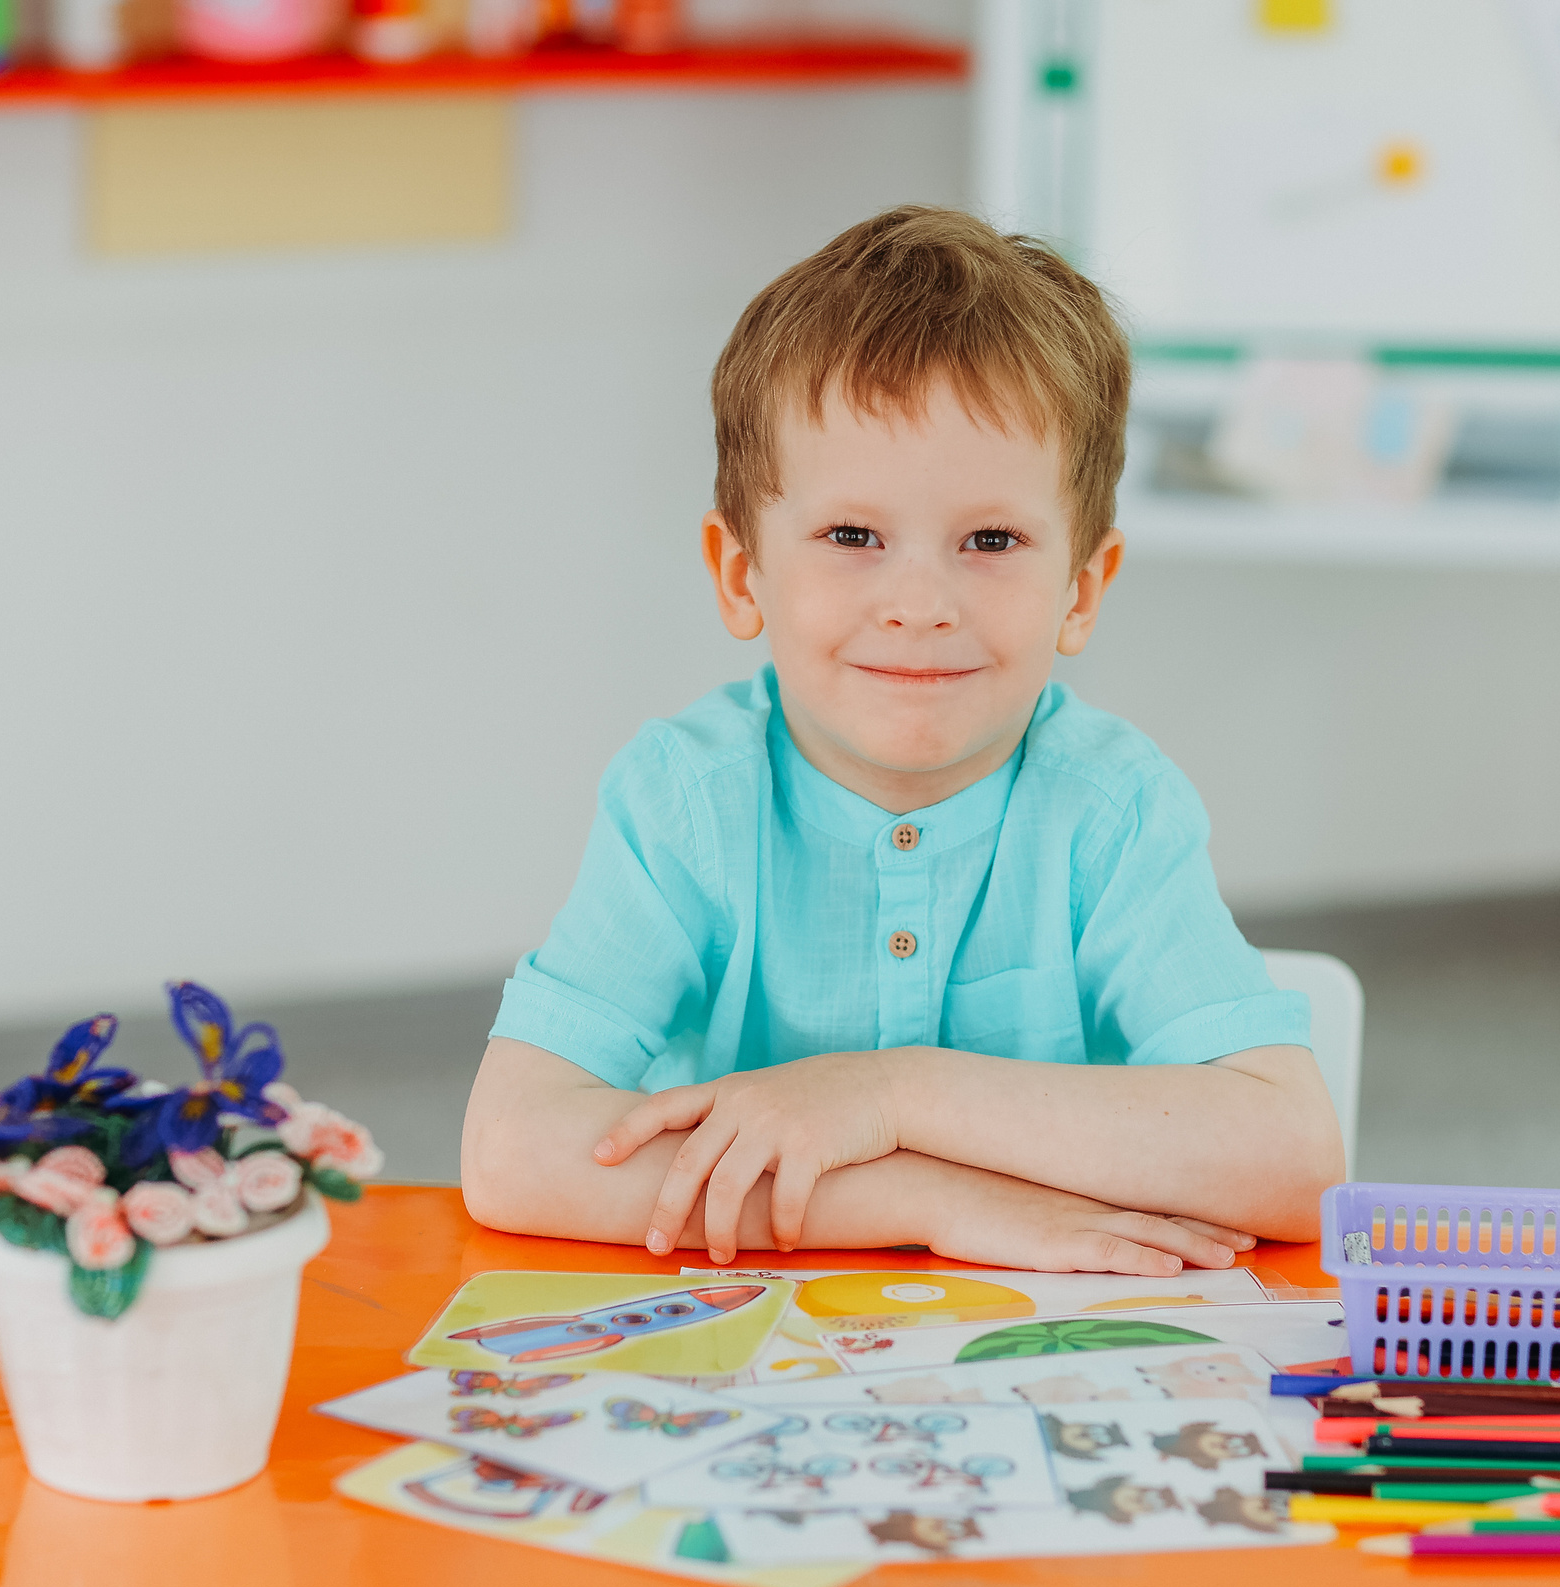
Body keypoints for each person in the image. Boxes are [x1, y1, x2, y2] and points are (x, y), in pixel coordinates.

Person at [459, 206, 1343, 1275]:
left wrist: (890, 1092)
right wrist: (924, 1196)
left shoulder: (1111, 810)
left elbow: (1296, 1158)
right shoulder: (686, 798)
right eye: (852, 536)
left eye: (989, 540)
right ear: (743, 575)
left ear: (1081, 588)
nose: (919, 602)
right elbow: (511, 1150)